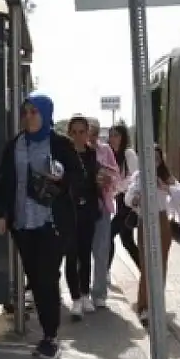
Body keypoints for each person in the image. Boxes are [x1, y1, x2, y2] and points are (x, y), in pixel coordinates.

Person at [0, 93, 86, 359]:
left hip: (51, 222)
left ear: (46, 114)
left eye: (34, 112)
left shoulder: (59, 143)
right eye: (26, 112)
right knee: (35, 278)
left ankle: (50, 337)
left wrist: (60, 178)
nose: (29, 117)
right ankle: (49, 332)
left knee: (47, 277)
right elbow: (5, 181)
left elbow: (79, 177)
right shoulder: (15, 145)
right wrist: (1, 213)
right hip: (22, 223)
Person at [124, 145, 180, 325]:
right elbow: (128, 199)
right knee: (146, 265)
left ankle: (157, 305)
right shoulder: (139, 177)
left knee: (161, 264)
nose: (154, 162)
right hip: (145, 220)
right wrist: (136, 198)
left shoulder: (166, 176)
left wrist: (167, 188)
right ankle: (143, 306)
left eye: (157, 159)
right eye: (150, 158)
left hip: (161, 220)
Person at [66, 116, 103, 319]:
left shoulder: (91, 154)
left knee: (85, 253)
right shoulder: (65, 154)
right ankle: (75, 298)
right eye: (75, 132)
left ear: (88, 133)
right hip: (69, 211)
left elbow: (94, 180)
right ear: (70, 133)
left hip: (88, 210)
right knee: (71, 255)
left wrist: (100, 180)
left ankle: (85, 293)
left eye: (82, 132)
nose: (79, 136)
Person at [88, 119, 120, 309]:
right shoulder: (77, 150)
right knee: (81, 252)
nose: (91, 137)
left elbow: (116, 174)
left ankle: (99, 293)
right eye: (88, 132)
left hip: (102, 205)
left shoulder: (105, 150)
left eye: (94, 133)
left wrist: (107, 176)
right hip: (82, 207)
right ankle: (82, 292)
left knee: (101, 250)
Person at [108, 124, 140, 271]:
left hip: (129, 202)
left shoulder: (129, 154)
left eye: (117, 135)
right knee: (127, 241)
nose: (113, 139)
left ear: (123, 137)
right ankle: (145, 271)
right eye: (111, 135)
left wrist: (118, 186)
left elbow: (135, 177)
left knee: (109, 235)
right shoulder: (113, 155)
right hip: (121, 201)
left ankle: (104, 272)